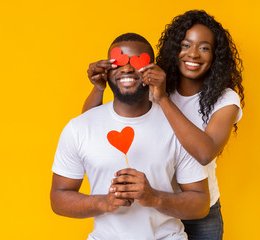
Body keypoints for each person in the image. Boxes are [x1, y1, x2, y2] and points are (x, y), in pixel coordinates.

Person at [82, 10, 244, 240]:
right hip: (155, 206)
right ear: (173, 49)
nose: (193, 54)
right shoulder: (154, 83)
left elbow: (205, 153)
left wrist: (163, 99)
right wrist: (99, 87)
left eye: (204, 47)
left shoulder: (225, 99)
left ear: (215, 55)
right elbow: (89, 128)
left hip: (199, 207)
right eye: (185, 45)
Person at [51, 33, 210, 240]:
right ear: (107, 72)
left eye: (137, 62)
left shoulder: (177, 127)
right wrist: (103, 202)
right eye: (119, 62)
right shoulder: (78, 128)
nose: (126, 68)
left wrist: (155, 198)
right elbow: (58, 197)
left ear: (152, 71)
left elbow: (201, 204)